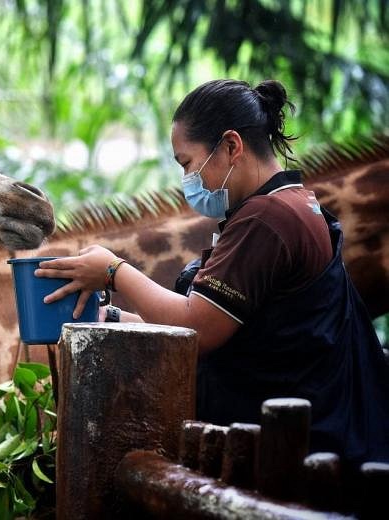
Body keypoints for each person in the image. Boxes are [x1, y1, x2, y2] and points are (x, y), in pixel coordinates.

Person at [35, 79, 389, 465]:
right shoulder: (293, 204)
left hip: (288, 454)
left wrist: (113, 271)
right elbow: (230, 324)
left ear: (232, 146)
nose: (188, 179)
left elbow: (198, 330)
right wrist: (117, 318)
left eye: (187, 163)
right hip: (310, 434)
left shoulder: (266, 220)